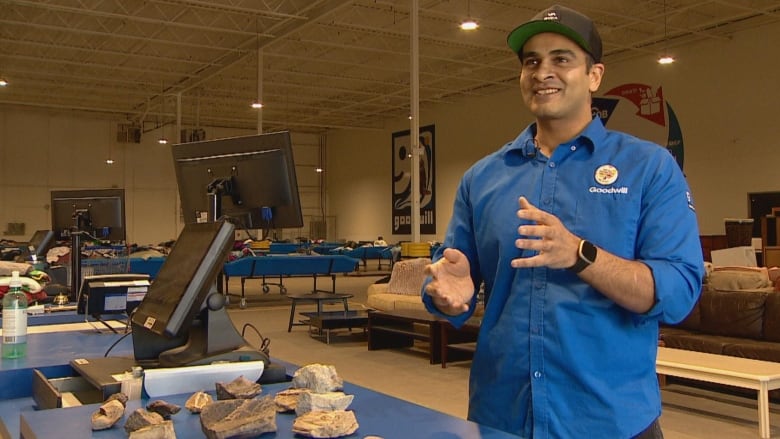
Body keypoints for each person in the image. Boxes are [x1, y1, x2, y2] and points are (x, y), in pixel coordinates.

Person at [422, 5, 703, 438]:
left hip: (609, 419)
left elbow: (679, 291)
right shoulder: (482, 178)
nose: (542, 72)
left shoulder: (649, 168)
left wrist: (579, 253)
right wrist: (445, 295)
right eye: (531, 61)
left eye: (561, 58)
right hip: (502, 417)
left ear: (594, 76)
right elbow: (452, 279)